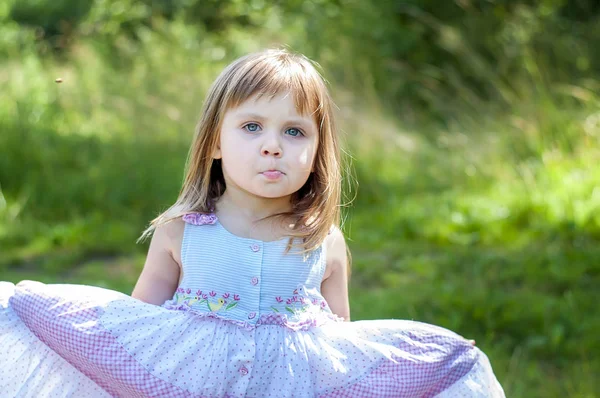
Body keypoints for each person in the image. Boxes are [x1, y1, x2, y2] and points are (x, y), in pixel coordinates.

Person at [0, 48, 505, 397]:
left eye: (293, 130)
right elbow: (138, 333)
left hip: (289, 383)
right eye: (251, 127)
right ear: (215, 144)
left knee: (449, 363)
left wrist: (428, 367)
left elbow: (340, 346)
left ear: (315, 151)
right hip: (195, 382)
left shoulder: (322, 240)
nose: (272, 144)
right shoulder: (183, 230)